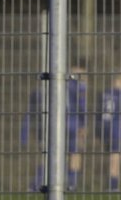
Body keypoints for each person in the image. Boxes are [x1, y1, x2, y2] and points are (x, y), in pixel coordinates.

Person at [21, 64, 87, 192]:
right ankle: (70, 185)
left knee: (50, 156)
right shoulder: (75, 87)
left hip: (48, 127)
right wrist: (83, 125)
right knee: (73, 154)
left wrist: (25, 134)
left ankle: (36, 185)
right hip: (70, 126)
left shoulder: (40, 90)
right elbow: (81, 107)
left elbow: (29, 114)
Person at [96, 74, 121, 191]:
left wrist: (98, 131)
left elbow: (98, 113)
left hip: (104, 127)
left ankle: (110, 183)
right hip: (117, 129)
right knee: (116, 157)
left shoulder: (105, 93)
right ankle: (113, 185)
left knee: (111, 155)